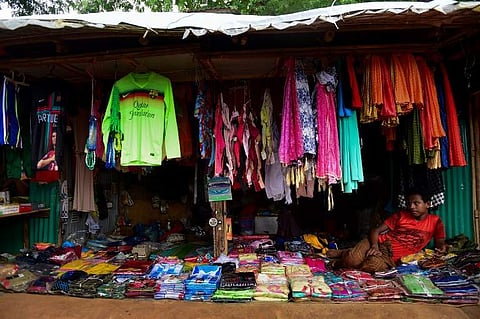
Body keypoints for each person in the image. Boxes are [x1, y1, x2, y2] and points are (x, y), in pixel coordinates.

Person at [327, 187, 447, 273]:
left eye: (416, 203)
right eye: (409, 203)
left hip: (391, 257)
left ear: (427, 204)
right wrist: (374, 246)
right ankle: (346, 257)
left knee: (370, 267)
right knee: (352, 260)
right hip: (378, 243)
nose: (411, 207)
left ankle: (347, 253)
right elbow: (375, 230)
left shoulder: (435, 222)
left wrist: (441, 247)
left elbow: (440, 242)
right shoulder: (401, 216)